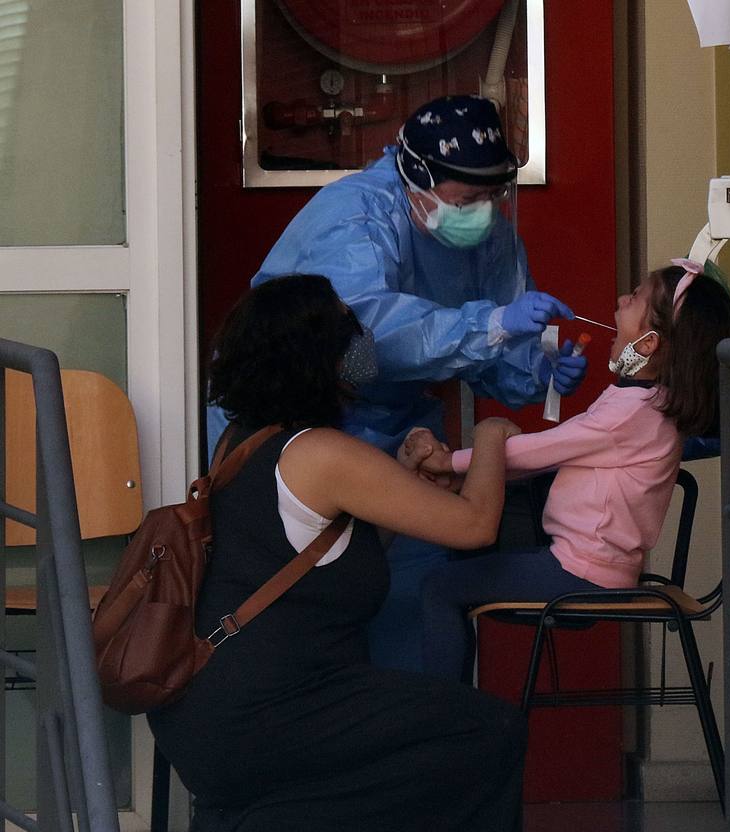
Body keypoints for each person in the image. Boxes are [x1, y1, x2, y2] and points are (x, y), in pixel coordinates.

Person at [149, 273, 528, 832]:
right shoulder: (321, 451)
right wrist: (489, 436)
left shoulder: (245, 443)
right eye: (345, 330)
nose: (362, 344)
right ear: (317, 355)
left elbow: (323, 558)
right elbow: (476, 526)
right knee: (484, 728)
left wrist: (402, 477)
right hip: (269, 712)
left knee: (422, 720)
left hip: (208, 715)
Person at [207, 94, 589, 671]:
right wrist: (486, 329)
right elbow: (363, 338)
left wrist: (538, 373)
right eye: (465, 200)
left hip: (399, 429)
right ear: (416, 177)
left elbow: (491, 354)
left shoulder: (493, 238)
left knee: (414, 602)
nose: (482, 213)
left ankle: (412, 740)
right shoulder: (354, 215)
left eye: (492, 196)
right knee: (307, 603)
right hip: (298, 425)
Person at [404, 260, 730, 681]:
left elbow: (539, 451)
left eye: (635, 297)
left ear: (650, 344)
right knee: (459, 570)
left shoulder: (631, 410)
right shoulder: (649, 404)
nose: (621, 299)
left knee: (440, 586)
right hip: (594, 568)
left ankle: (441, 720)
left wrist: (448, 461)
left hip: (577, 572)